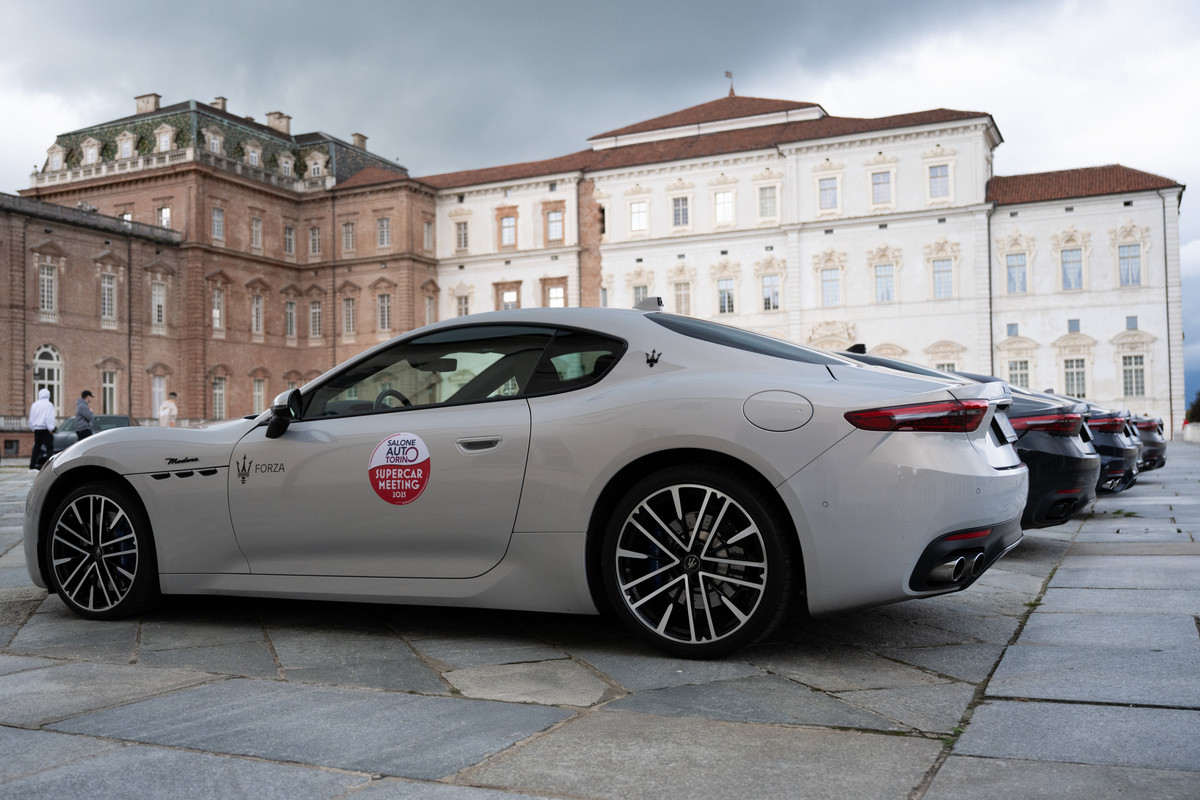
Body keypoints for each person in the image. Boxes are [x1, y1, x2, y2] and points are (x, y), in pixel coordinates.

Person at [28, 388, 56, 470]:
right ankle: (48, 467)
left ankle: (32, 466)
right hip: (45, 429)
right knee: (49, 448)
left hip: (36, 429)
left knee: (36, 448)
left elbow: (31, 418)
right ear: (48, 395)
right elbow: (49, 418)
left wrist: (33, 428)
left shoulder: (34, 404)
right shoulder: (49, 404)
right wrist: (51, 428)